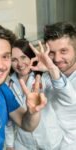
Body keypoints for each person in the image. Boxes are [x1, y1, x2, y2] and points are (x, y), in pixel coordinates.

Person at [29, 22, 76, 150]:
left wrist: (51, 70)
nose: (57, 58)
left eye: (64, 51)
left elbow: (69, 102)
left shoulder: (53, 72)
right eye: (51, 52)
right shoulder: (46, 76)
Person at [5, 39, 45, 150]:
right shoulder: (7, 85)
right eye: (14, 60)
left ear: (31, 57)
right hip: (23, 144)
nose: (20, 64)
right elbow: (9, 120)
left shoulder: (45, 77)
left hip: (49, 141)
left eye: (23, 57)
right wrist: (9, 145)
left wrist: (50, 70)